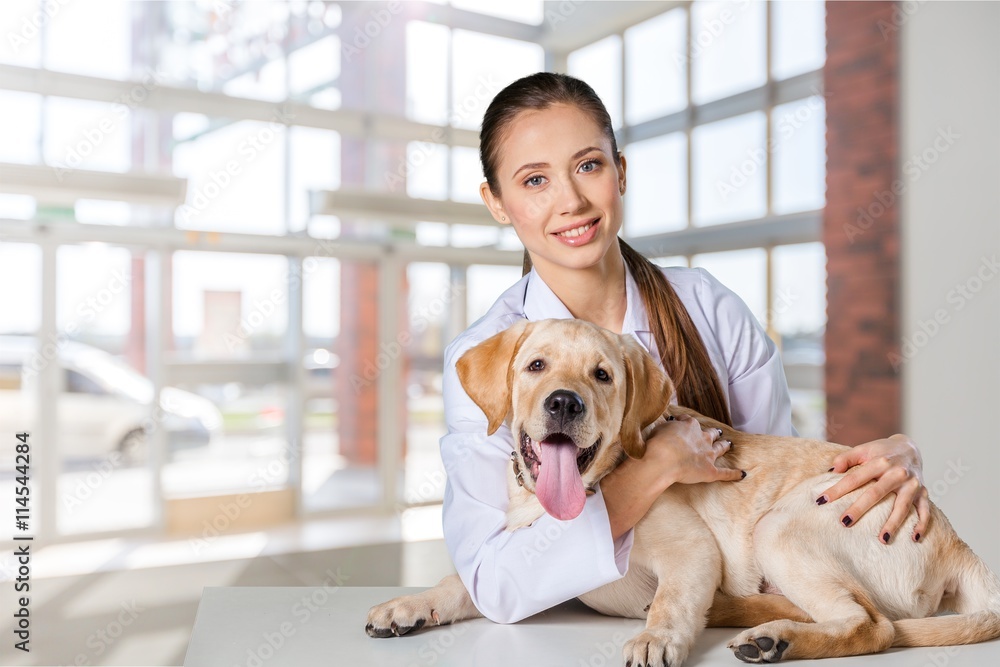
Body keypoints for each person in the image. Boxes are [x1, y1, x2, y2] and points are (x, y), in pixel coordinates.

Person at [439, 72, 929, 624]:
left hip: (740, 619)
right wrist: (659, 466)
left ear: (619, 172)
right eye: (534, 181)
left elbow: (770, 485)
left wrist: (882, 462)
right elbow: (497, 584)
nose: (571, 201)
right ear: (496, 202)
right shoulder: (485, 353)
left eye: (588, 166)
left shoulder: (710, 310)